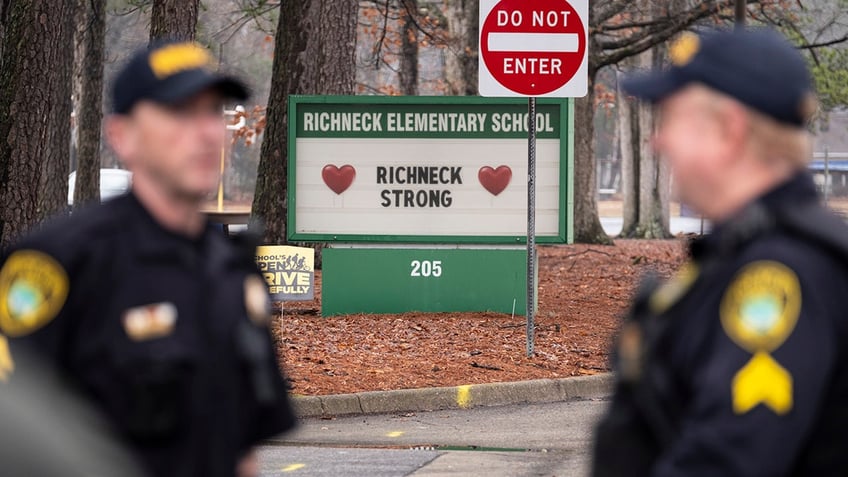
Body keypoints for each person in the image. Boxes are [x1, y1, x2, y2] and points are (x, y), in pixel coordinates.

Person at [0, 41, 296, 477]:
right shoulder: (57, 264)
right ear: (123, 136)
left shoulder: (234, 271)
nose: (208, 133)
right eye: (181, 112)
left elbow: (241, 448)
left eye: (214, 112)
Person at [592, 28, 848, 476]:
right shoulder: (742, 253)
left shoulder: (779, 273)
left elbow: (729, 459)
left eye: (671, 120)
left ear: (730, 130)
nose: (659, 141)